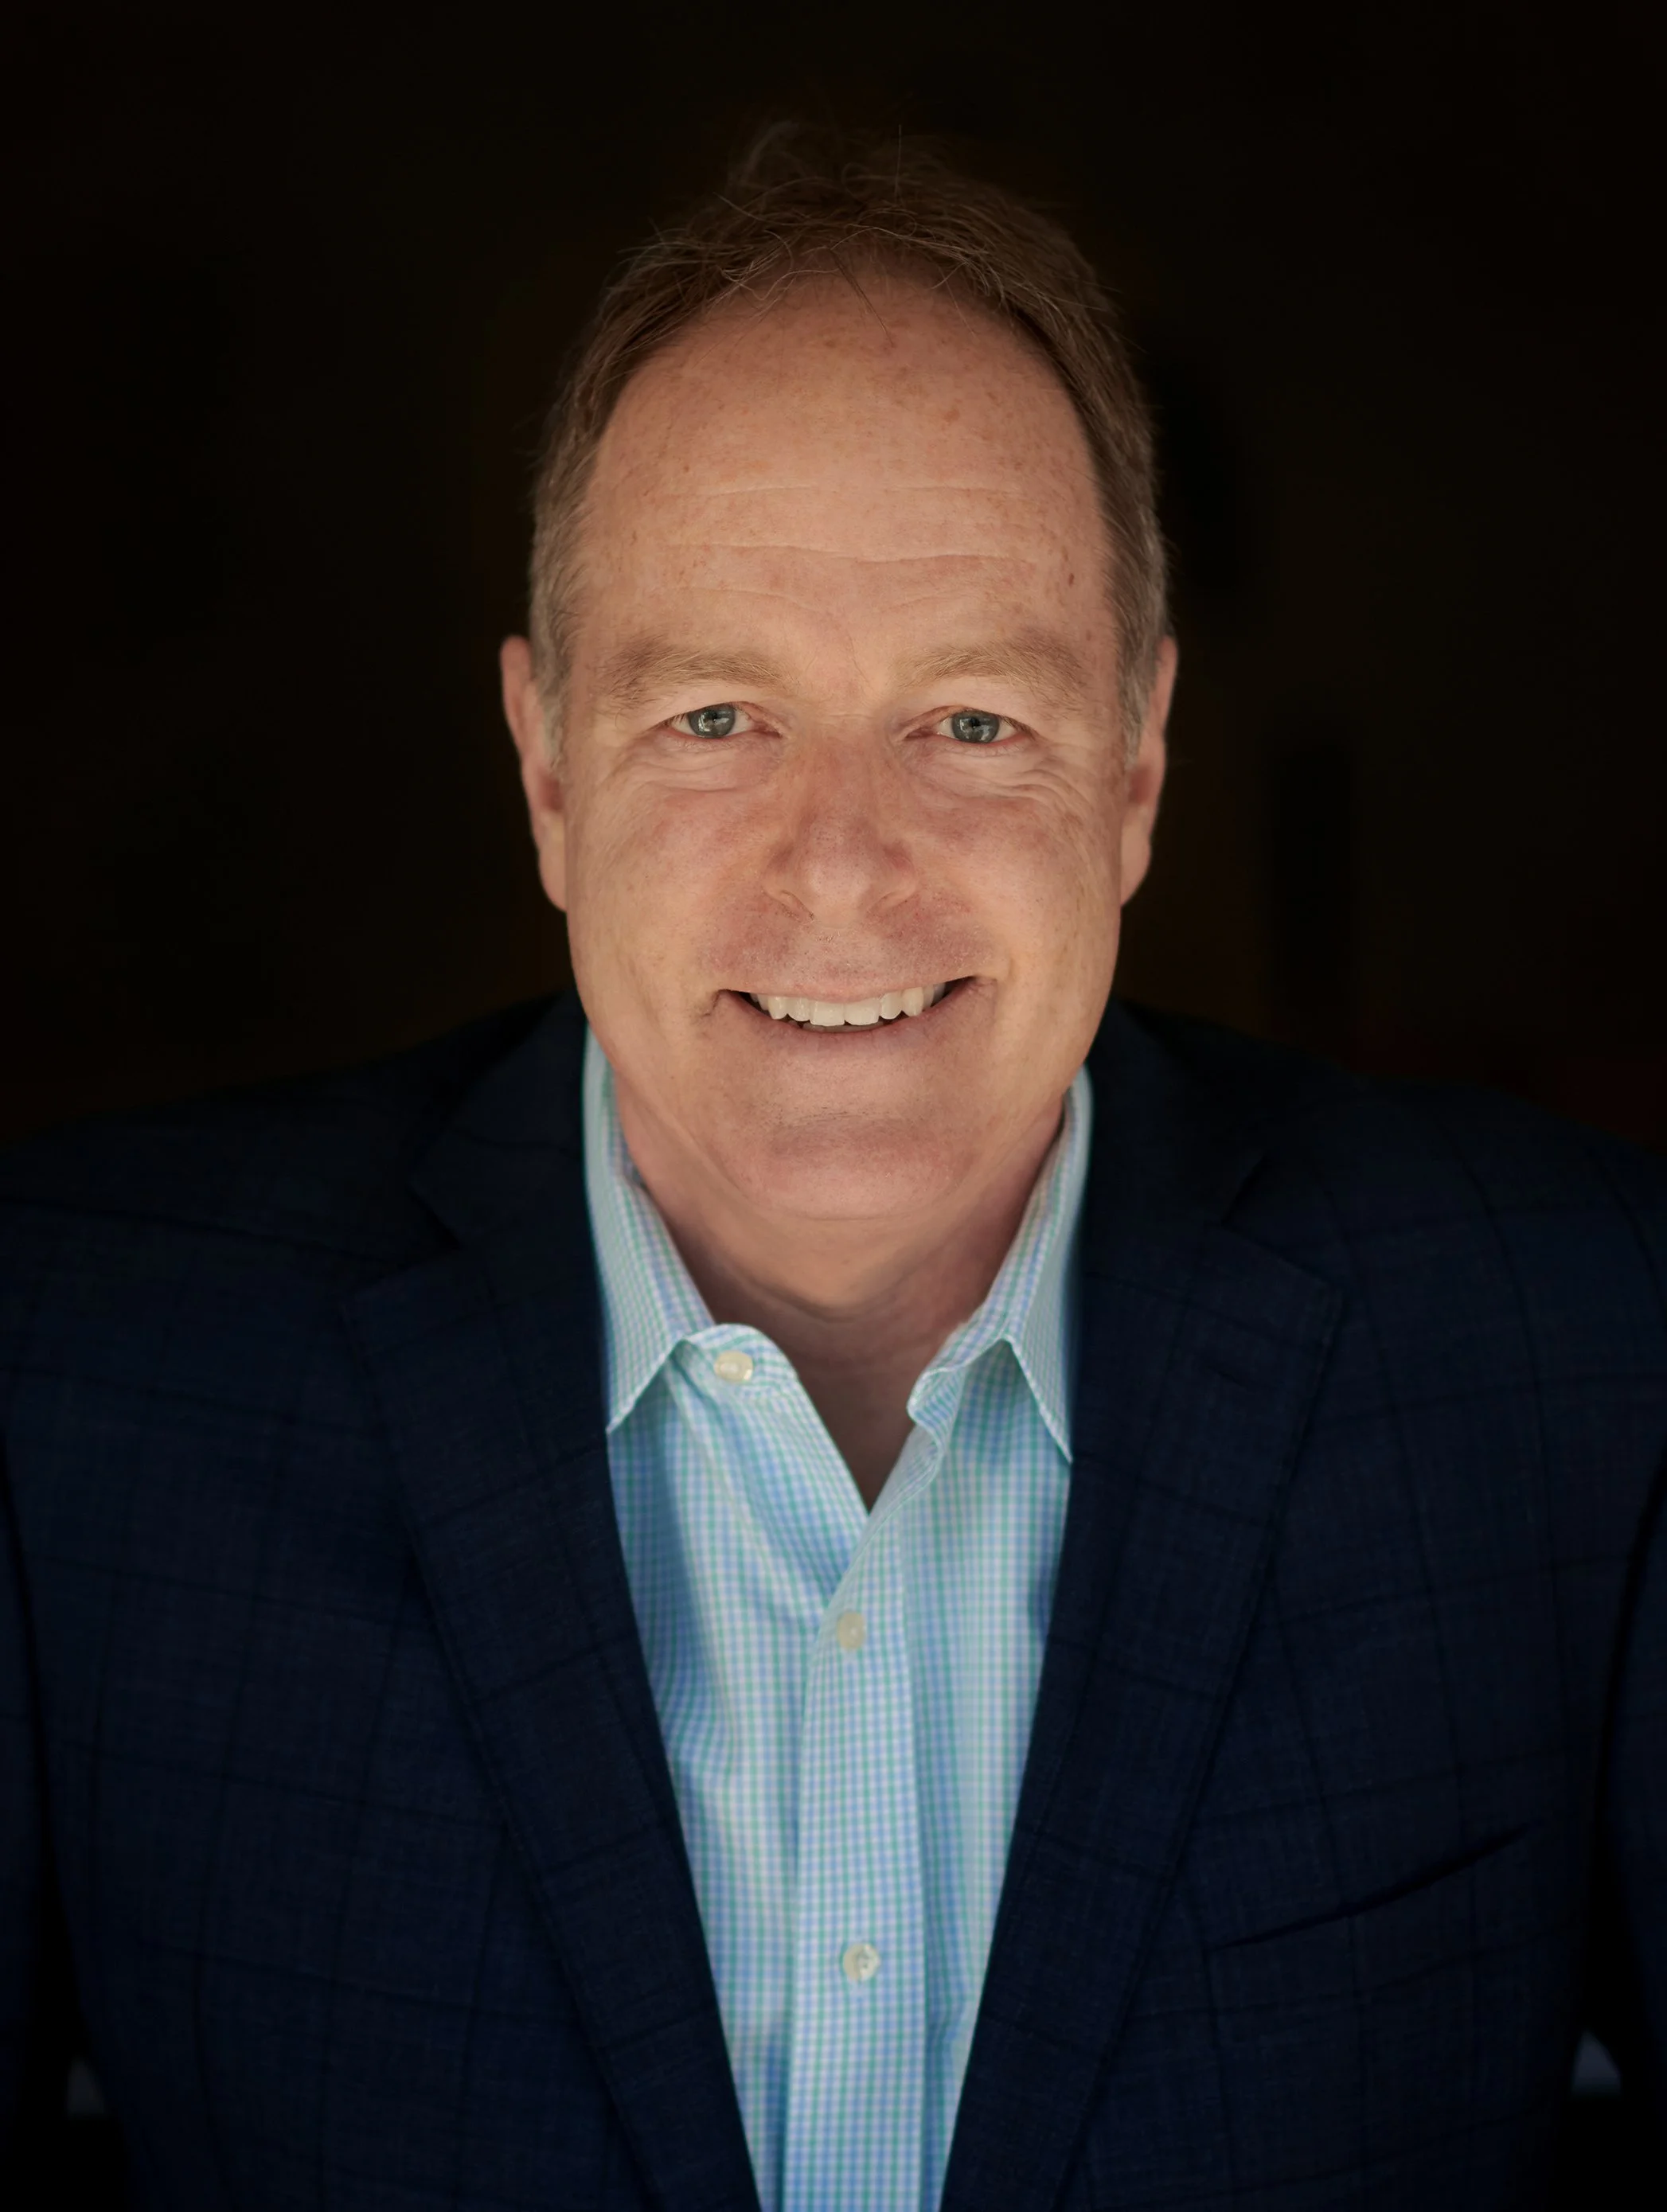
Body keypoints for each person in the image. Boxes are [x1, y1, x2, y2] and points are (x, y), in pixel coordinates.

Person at [2, 125, 1662, 2212]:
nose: (843, 867)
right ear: (543, 772)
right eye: (714, 716)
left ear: (1134, 778)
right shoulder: (69, 1389)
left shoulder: (1590, 1363)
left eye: (970, 721)